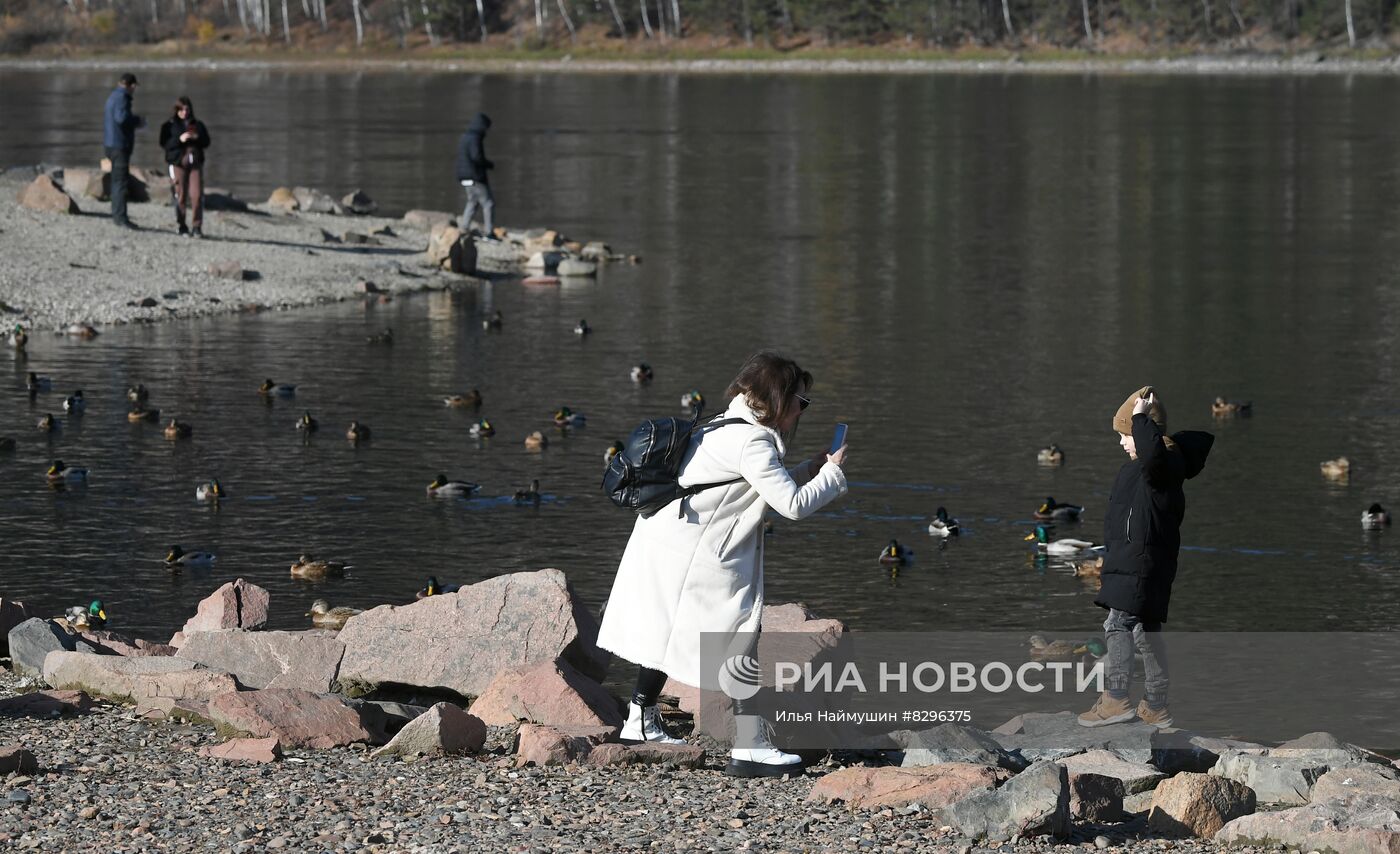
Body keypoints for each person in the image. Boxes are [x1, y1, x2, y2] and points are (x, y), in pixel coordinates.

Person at [597, 351, 850, 778]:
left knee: (666, 628)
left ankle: (640, 719)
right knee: (740, 638)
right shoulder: (754, 441)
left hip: (668, 542)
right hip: (700, 557)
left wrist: (810, 467)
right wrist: (833, 475)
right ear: (778, 399)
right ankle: (751, 749)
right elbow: (790, 504)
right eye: (801, 402)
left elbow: (756, 481)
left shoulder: (723, 423)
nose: (802, 411)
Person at [1079, 387, 1212, 729]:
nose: (1123, 442)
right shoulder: (1150, 469)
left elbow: (1152, 455)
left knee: (1117, 624)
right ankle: (1155, 706)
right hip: (1136, 563)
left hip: (1139, 564)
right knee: (1144, 632)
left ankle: (1116, 700)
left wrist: (1139, 416)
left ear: (1147, 431)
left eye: (1127, 434)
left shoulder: (1163, 468)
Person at [159, 96, 211, 238]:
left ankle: (197, 226)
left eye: (187, 109)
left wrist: (196, 138)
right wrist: (179, 139)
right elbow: (164, 144)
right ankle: (181, 225)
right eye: (181, 109)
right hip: (177, 163)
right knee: (180, 195)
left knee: (197, 195)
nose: (184, 112)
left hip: (195, 164)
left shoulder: (198, 125)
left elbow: (207, 142)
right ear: (176, 110)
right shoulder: (169, 126)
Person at [103, 72, 145, 230]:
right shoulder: (122, 98)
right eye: (134, 87)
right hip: (119, 146)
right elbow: (121, 118)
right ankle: (120, 218)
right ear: (131, 85)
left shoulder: (113, 96)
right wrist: (137, 121)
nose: (134, 90)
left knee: (116, 180)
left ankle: (117, 215)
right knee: (120, 182)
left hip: (110, 144)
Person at [455, 112, 495, 239]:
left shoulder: (465, 136)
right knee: (488, 203)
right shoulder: (475, 138)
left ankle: (464, 228)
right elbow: (476, 157)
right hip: (474, 177)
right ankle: (489, 232)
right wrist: (488, 164)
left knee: (472, 201)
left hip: (464, 178)